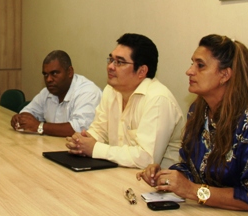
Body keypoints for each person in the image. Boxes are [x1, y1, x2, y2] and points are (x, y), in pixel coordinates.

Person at [137, 34, 248, 216]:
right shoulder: (198, 112)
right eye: (192, 63)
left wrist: (193, 191)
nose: (189, 71)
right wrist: (167, 175)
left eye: (200, 65)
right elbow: (192, 169)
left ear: (224, 75)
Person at [66, 33, 184, 168]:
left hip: (157, 184)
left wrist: (95, 149)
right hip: (120, 174)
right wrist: (81, 142)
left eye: (119, 62)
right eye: (110, 60)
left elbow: (147, 158)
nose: (110, 66)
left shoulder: (158, 99)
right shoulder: (111, 91)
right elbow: (99, 131)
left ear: (142, 71)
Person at [10, 50, 102, 137]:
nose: (49, 79)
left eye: (54, 73)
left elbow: (79, 129)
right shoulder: (47, 92)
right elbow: (28, 111)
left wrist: (39, 126)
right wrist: (21, 119)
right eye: (45, 75)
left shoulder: (88, 92)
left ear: (69, 72)